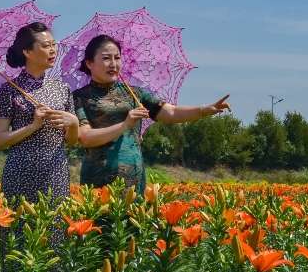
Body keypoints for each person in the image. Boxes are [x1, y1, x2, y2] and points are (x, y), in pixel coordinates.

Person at [73, 34, 231, 195]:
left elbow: (170, 112)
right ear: (89, 63)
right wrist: (125, 125)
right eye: (106, 58)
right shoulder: (79, 97)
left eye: (117, 58)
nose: (113, 64)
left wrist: (204, 110)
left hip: (134, 178)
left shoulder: (134, 93)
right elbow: (85, 137)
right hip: (99, 181)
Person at [0, 21, 79, 272]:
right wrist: (32, 125)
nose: (53, 50)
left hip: (56, 170)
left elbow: (72, 140)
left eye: (54, 44)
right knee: (17, 241)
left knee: (55, 239)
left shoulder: (63, 89)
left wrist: (73, 122)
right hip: (20, 172)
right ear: (28, 52)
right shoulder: (9, 90)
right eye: (46, 45)